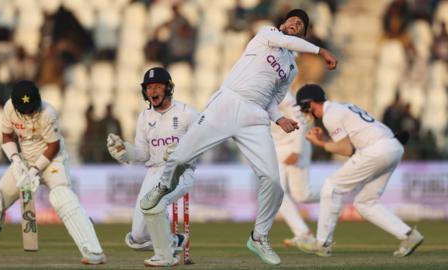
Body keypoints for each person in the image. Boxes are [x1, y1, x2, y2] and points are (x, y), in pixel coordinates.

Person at [140, 9, 337, 266]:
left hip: (255, 117)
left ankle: (259, 236)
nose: (295, 25)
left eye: (300, 24)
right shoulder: (268, 34)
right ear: (283, 24)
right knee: (181, 158)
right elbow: (288, 42)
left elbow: (273, 101)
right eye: (292, 21)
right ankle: (163, 186)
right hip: (228, 102)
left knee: (273, 181)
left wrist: (279, 118)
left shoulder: (291, 68)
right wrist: (321, 51)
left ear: (304, 32)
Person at [0, 80, 106, 264]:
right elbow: (7, 136)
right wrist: (16, 161)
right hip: (24, 160)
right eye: (23, 111)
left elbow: (54, 145)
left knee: (61, 196)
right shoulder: (9, 108)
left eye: (31, 109)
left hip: (52, 160)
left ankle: (94, 252)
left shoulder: (48, 113)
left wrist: (35, 170)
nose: (28, 114)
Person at [294, 84, 424, 257]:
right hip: (392, 147)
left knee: (332, 187)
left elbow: (346, 150)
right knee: (365, 203)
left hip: (377, 149)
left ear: (310, 104)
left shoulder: (331, 115)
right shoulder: (342, 107)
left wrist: (320, 143)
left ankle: (322, 243)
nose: (305, 113)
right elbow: (352, 148)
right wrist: (324, 139)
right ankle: (409, 235)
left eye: (304, 109)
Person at [106, 67, 198, 266]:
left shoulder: (186, 113)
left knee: (154, 204)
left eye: (157, 87)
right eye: (149, 88)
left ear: (168, 88)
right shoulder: (144, 118)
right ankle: (173, 241)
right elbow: (142, 154)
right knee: (137, 237)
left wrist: (181, 154)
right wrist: (124, 152)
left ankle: (166, 256)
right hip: (154, 172)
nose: (153, 92)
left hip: (180, 171)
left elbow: (201, 145)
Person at [271, 95, 319, 249]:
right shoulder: (256, 95)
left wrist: (297, 150)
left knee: (302, 195)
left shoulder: (284, 95)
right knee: (276, 192)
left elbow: (302, 120)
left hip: (295, 145)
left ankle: (338, 191)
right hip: (277, 148)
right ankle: (303, 234)